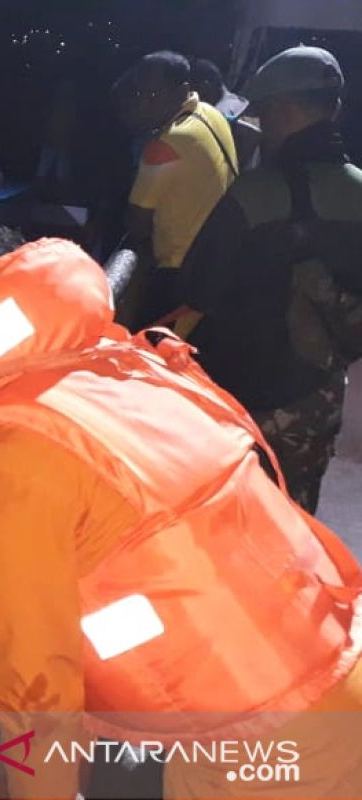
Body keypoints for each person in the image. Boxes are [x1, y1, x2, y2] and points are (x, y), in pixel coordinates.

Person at [0, 236, 362, 800]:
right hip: (334, 667)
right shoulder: (129, 365)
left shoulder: (6, 455)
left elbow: (37, 678)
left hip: (263, 748)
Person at [181, 46, 362, 514]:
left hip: (246, 398)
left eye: (263, 116)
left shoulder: (254, 194)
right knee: (298, 520)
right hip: (320, 394)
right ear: (335, 109)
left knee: (239, 522)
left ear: (281, 111)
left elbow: (198, 292)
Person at [121, 51, 238, 331]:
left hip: (180, 274)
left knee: (155, 354)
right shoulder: (210, 114)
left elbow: (137, 225)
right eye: (140, 94)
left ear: (183, 90)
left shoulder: (166, 144)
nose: (143, 105)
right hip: (217, 262)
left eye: (154, 96)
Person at [191, 56, 261, 169]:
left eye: (192, 87)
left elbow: (251, 137)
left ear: (206, 84)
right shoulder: (206, 109)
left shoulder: (241, 111)